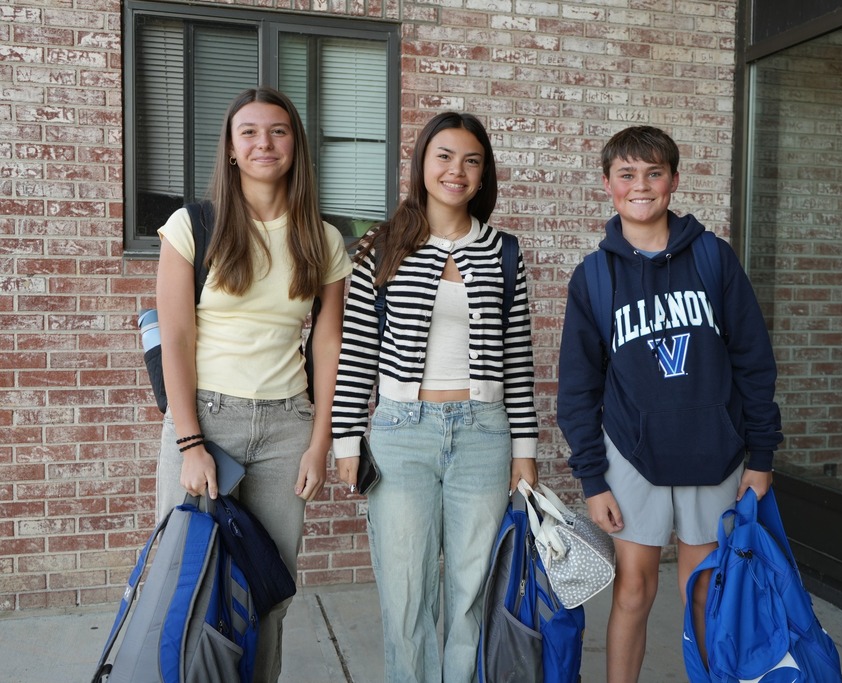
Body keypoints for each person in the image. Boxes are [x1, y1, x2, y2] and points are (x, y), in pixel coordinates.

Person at [556, 125, 783, 682]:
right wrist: (592, 477)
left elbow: (754, 362)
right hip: (633, 455)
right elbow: (578, 388)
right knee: (634, 587)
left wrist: (761, 457)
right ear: (608, 184)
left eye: (654, 173)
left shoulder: (713, 259)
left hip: (714, 451)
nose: (641, 186)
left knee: (703, 586)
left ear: (674, 181)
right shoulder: (595, 277)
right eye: (627, 174)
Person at [331, 111, 539, 683]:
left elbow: (517, 360)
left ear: (484, 174)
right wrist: (346, 439)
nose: (457, 170)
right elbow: (357, 353)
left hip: (484, 435)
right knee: (405, 598)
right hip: (402, 432)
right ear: (422, 163)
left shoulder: (503, 253)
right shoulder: (381, 246)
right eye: (444, 156)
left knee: (470, 595)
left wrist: (526, 450)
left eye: (472, 160)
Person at [154, 86, 353, 682]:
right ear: (232, 149)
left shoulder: (323, 238)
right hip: (207, 423)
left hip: (287, 428)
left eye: (278, 131)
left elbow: (327, 344)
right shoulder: (194, 226)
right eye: (250, 132)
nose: (264, 142)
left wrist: (320, 441)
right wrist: (189, 443)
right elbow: (178, 339)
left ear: (295, 145)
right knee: (187, 582)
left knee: (270, 590)